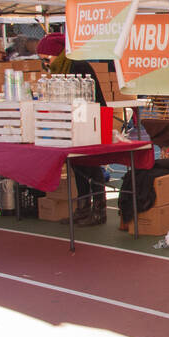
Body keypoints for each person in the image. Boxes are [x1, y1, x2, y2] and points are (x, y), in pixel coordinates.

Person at [37, 31, 108, 226]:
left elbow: (89, 97)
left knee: (91, 165)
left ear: (57, 54)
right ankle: (83, 208)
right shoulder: (61, 69)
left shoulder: (78, 66)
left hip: (90, 119)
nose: (44, 62)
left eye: (46, 58)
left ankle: (99, 210)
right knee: (77, 165)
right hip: (75, 120)